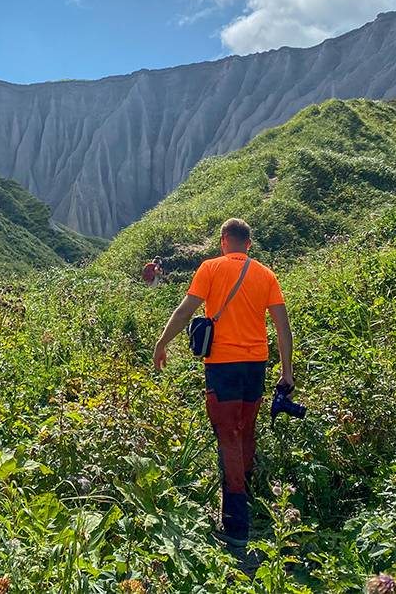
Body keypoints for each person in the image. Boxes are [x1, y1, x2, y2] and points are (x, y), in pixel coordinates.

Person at [152, 218, 294, 547]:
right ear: (249, 243)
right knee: (245, 430)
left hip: (223, 366)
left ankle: (235, 526)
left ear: (224, 240)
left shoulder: (210, 268)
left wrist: (162, 343)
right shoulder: (266, 275)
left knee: (228, 436)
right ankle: (245, 499)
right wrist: (287, 371)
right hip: (256, 366)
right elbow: (283, 328)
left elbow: (185, 312)